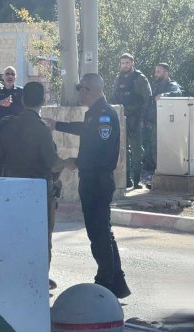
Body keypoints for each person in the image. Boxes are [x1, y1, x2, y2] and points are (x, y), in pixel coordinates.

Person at [48, 73, 131, 298]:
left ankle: (104, 282)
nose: (79, 93)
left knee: (99, 233)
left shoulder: (105, 116)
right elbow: (84, 129)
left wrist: (77, 162)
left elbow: (101, 154)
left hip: (98, 180)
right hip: (93, 179)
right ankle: (117, 282)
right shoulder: (95, 114)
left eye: (81, 89)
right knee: (102, 232)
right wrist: (57, 125)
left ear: (90, 90)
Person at [0, 82, 63, 290]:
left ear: (22, 101)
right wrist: (67, 163)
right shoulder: (40, 128)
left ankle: (17, 276)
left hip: (12, 190)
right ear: (43, 101)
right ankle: (39, 278)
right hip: (39, 191)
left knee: (17, 234)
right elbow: (52, 163)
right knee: (42, 237)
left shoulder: (7, 125)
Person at [110, 53, 151, 189]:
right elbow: (114, 97)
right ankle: (127, 180)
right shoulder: (118, 78)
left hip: (136, 118)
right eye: (122, 63)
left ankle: (137, 180)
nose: (125, 65)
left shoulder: (140, 79)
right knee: (123, 149)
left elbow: (147, 99)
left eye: (127, 63)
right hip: (122, 118)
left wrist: (142, 118)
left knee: (137, 150)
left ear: (133, 63)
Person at [143, 63, 182, 178]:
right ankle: (159, 173)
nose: (156, 74)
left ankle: (165, 174)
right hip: (154, 123)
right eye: (156, 71)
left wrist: (164, 95)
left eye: (158, 71)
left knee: (163, 149)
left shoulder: (171, 85)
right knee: (154, 149)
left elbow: (178, 93)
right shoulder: (157, 85)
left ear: (166, 72)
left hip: (165, 124)